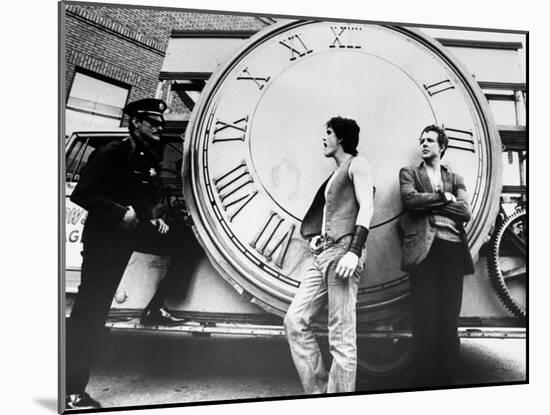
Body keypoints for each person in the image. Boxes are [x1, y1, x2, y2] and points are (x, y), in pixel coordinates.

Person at [65, 98, 199, 409]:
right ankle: (71, 391)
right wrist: (118, 212)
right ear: (136, 122)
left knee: (186, 239)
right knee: (91, 310)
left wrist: (155, 217)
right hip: (106, 238)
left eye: (160, 123)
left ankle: (157, 307)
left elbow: (144, 197)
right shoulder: (112, 152)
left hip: (132, 230)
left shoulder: (146, 156)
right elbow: (82, 193)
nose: (158, 127)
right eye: (152, 122)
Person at [284, 116, 374, 394]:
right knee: (295, 321)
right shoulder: (334, 175)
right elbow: (332, 214)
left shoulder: (358, 164)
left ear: (342, 138)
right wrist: (317, 239)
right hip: (322, 255)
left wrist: (354, 251)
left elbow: (367, 207)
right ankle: (320, 393)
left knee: (342, 337)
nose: (324, 138)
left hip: (343, 254)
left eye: (329, 133)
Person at [398, 124, 475, 387]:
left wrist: (431, 201)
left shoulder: (456, 177)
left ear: (442, 146)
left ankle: (447, 381)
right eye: (422, 140)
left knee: (448, 317)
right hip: (424, 251)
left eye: (430, 140)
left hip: (452, 250)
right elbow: (410, 200)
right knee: (424, 317)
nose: (424, 144)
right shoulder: (409, 173)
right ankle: (423, 382)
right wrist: (444, 198)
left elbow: (465, 212)